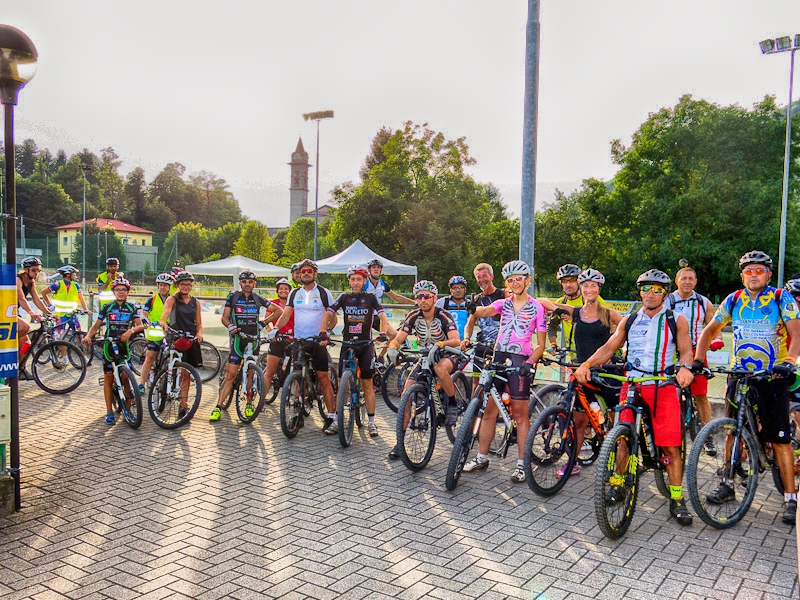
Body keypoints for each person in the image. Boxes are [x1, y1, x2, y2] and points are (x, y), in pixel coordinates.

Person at [574, 268, 695, 525]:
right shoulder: (630, 320)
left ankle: (677, 498)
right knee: (622, 439)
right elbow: (609, 347)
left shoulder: (676, 319)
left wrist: (685, 368)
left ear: (665, 294)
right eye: (645, 289)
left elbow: (686, 350)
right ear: (640, 292)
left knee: (670, 446)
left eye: (656, 290)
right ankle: (618, 484)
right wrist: (586, 364)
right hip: (631, 385)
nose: (650, 294)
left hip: (661, 385)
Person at [694, 250, 800, 524]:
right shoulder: (734, 299)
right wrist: (698, 359)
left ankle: (790, 498)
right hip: (739, 376)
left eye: (759, 270)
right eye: (748, 271)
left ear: (768, 274)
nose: (753, 275)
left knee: (780, 439)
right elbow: (709, 330)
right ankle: (727, 484)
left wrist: (789, 361)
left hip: (772, 378)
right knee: (732, 431)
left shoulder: (781, 297)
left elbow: (797, 332)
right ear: (742, 275)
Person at [462, 260, 547, 483]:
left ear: (527, 280)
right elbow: (484, 311)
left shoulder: (538, 308)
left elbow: (541, 345)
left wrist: (531, 362)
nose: (515, 283)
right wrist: (472, 308)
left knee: (520, 415)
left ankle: (521, 464)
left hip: (521, 361)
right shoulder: (503, 303)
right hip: (498, 357)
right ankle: (481, 457)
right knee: (489, 411)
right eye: (510, 280)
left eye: (519, 279)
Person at [538, 268, 623, 478]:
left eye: (593, 286)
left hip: (607, 372)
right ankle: (572, 463)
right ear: (581, 288)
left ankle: (622, 466)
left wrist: (618, 347)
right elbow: (547, 304)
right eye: (585, 286)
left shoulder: (609, 313)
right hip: (582, 372)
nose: (589, 289)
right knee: (578, 422)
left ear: (598, 288)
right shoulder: (576, 313)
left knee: (617, 425)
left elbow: (628, 329)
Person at [386, 280, 460, 459]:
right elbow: (399, 338)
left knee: (440, 368)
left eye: (427, 296)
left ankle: (452, 403)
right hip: (425, 357)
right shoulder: (413, 316)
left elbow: (456, 340)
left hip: (446, 354)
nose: (423, 300)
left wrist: (440, 344)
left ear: (434, 298)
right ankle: (399, 443)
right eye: (419, 297)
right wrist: (392, 348)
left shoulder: (443, 316)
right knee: (406, 395)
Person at [272, 259, 338, 434]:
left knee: (324, 379)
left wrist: (327, 332)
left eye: (309, 271)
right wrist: (276, 329)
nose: (306, 273)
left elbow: (333, 317)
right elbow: (286, 314)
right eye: (303, 271)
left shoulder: (324, 293)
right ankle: (298, 414)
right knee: (298, 380)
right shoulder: (294, 293)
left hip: (318, 341)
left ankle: (332, 417)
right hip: (299, 341)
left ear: (315, 273)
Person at [664, 263, 722, 456]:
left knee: (701, 395)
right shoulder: (667, 300)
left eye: (691, 279)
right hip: (672, 351)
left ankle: (707, 436)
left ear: (696, 282)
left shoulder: (703, 302)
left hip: (697, 352)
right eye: (684, 278)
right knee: (668, 394)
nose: (687, 282)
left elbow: (713, 326)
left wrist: (717, 339)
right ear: (676, 281)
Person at [210, 270, 283, 422]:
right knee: (230, 375)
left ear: (254, 283)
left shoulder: (257, 298)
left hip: (253, 339)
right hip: (238, 339)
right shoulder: (233, 297)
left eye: (250, 282)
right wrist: (230, 326)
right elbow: (224, 317)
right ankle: (218, 407)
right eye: (244, 282)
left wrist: (263, 323)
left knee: (251, 373)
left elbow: (279, 311)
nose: (247, 284)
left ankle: (249, 404)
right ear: (240, 283)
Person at [328, 265, 389, 437]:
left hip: (365, 345)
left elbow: (382, 316)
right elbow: (329, 313)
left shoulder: (370, 298)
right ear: (349, 281)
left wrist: (383, 333)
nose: (356, 282)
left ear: (364, 281)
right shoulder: (344, 297)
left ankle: (371, 422)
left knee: (367, 383)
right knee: (342, 383)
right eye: (353, 279)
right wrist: (324, 331)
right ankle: (336, 420)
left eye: (359, 279)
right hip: (347, 344)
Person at [84, 278, 144, 424]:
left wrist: (130, 331)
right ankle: (109, 412)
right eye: (118, 290)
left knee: (126, 378)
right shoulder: (107, 307)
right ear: (113, 292)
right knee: (109, 378)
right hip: (109, 345)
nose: (121, 292)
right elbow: (96, 326)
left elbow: (140, 325)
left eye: (123, 290)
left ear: (128, 292)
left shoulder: (131, 307)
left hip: (124, 346)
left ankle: (128, 410)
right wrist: (88, 336)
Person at [160, 271, 204, 419]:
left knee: (186, 374)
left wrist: (199, 334)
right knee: (171, 366)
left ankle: (183, 405)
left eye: (188, 284)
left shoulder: (195, 302)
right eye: (183, 284)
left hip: (189, 339)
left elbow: (199, 322)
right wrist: (163, 323)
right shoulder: (172, 299)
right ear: (177, 285)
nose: (186, 287)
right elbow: (165, 314)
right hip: (176, 336)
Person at [462, 263, 506, 387]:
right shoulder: (477, 300)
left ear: (492, 276)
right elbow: (469, 324)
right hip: (482, 345)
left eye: (484, 276)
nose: (482, 280)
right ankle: (475, 400)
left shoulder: (504, 294)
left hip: (500, 346)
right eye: (478, 277)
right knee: (476, 382)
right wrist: (466, 338)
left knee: (501, 384)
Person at [137, 272, 175, 393]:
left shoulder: (174, 299)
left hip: (170, 332)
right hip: (155, 332)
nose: (163, 287)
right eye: (160, 285)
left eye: (165, 285)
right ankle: (141, 384)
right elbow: (144, 313)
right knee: (149, 357)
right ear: (158, 286)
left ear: (169, 287)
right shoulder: (152, 300)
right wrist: (146, 320)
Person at [262, 277, 294, 397]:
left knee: (297, 370)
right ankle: (261, 400)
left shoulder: (294, 304)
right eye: (281, 288)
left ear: (290, 291)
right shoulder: (273, 304)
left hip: (292, 339)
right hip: (277, 338)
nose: (283, 291)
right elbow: (267, 320)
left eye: (286, 289)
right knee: (269, 372)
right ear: (277, 290)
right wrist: (271, 332)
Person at [16, 257, 52, 357]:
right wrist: (31, 312)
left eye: (38, 270)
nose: (36, 273)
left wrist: (49, 313)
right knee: (25, 326)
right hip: (4, 311)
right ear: (25, 269)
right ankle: (5, 344)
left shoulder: (31, 282)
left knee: (26, 344)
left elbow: (36, 299)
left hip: (13, 312)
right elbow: (21, 299)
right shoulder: (18, 280)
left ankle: (20, 365)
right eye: (34, 270)